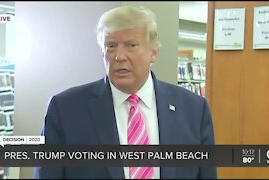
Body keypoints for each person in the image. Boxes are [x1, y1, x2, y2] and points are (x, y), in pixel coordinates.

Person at [33, 6, 216, 179]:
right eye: (111, 46)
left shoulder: (193, 109)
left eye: (131, 45)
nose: (119, 56)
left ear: (154, 52)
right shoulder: (66, 109)